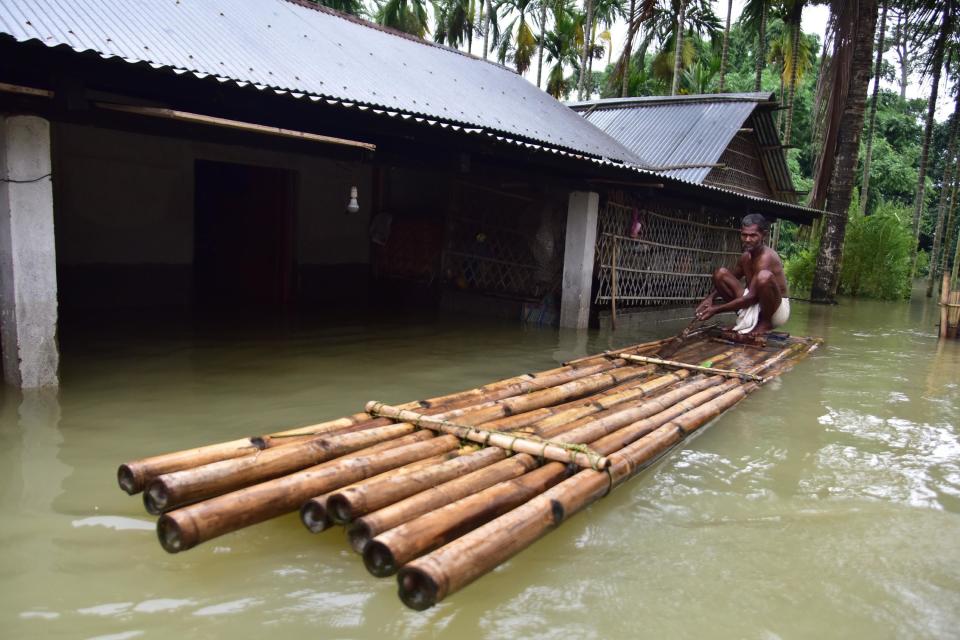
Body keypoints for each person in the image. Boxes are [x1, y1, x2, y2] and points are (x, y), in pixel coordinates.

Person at [695, 213, 789, 336]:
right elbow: (730, 279)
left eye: (753, 236)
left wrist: (716, 310)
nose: (747, 240)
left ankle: (765, 324)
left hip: (775, 312)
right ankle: (746, 320)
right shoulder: (745, 257)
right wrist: (710, 298)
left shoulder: (767, 257)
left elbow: (750, 298)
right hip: (752, 303)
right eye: (744, 235)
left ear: (763, 235)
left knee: (763, 277)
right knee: (720, 274)